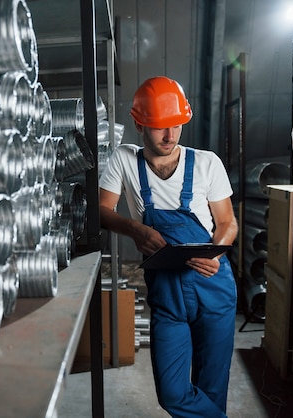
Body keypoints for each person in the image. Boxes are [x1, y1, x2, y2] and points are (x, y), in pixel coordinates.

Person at [99, 76, 238, 418]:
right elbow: (101, 211)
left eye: (176, 125)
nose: (169, 136)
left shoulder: (207, 162)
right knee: (173, 394)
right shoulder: (124, 160)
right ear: (139, 124)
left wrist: (217, 252)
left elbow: (227, 223)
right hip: (168, 297)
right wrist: (134, 229)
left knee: (211, 389)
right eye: (159, 127)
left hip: (213, 286)